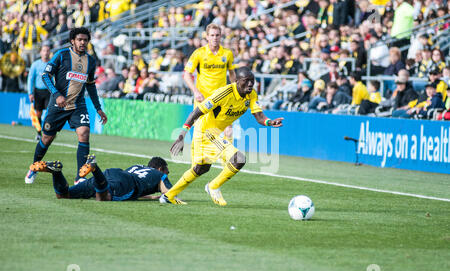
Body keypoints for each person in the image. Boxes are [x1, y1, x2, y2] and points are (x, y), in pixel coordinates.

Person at [160, 67, 283, 206]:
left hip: (215, 133)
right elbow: (197, 111)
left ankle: (168, 196)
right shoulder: (223, 93)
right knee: (239, 159)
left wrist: (270, 122)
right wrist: (181, 136)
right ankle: (213, 186)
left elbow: (259, 116)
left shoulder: (251, 94)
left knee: (201, 168)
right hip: (206, 132)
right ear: (236, 81)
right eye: (246, 81)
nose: (250, 84)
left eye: (252, 81)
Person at [25, 27, 108, 185]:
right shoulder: (61, 55)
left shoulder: (90, 61)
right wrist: (56, 95)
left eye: (85, 40)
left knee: (84, 133)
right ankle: (33, 166)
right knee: (47, 138)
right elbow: (45, 75)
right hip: (58, 105)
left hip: (78, 105)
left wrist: (98, 108)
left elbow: (90, 85)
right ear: (73, 41)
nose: (83, 42)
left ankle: (79, 177)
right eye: (79, 40)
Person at [29, 155, 179, 202]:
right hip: (125, 183)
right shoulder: (160, 175)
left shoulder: (137, 166)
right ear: (160, 169)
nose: (168, 172)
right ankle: (94, 168)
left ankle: (56, 172)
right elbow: (171, 193)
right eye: (167, 169)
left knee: (63, 194)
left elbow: (130, 182)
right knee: (104, 197)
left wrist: (151, 197)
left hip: (112, 174)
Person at [183, 23, 236, 145]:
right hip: (203, 98)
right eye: (212, 35)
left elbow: (232, 73)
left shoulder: (227, 54)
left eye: (217, 35)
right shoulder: (199, 53)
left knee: (228, 130)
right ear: (207, 37)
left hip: (222, 97)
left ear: (221, 36)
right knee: (199, 132)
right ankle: (197, 162)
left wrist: (235, 91)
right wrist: (196, 91)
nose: (215, 38)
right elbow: (186, 75)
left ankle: (228, 161)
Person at [27, 44, 52, 141]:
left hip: (49, 91)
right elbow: (31, 79)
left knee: (49, 113)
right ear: (41, 52)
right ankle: (38, 133)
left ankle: (48, 132)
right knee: (38, 113)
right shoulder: (35, 64)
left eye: (47, 51)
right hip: (38, 91)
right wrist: (30, 93)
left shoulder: (52, 64)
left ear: (50, 52)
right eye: (44, 50)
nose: (46, 53)